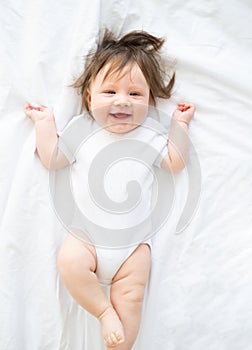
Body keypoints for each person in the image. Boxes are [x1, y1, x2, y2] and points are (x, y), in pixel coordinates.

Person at [24, 29, 195, 350]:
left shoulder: (149, 133)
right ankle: (104, 312)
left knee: (132, 297)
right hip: (86, 237)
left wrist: (180, 127)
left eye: (134, 95)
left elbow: (175, 161)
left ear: (149, 102)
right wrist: (44, 124)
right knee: (69, 264)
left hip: (133, 248)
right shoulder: (82, 129)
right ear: (89, 98)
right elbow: (53, 158)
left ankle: (120, 345)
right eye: (110, 92)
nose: (121, 101)